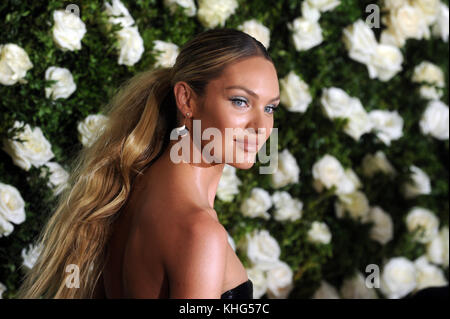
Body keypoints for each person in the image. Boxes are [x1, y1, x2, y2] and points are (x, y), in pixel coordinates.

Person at [15, 28, 280, 299]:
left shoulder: (125, 191)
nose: (261, 126)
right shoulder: (199, 232)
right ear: (186, 100)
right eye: (240, 101)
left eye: (270, 108)